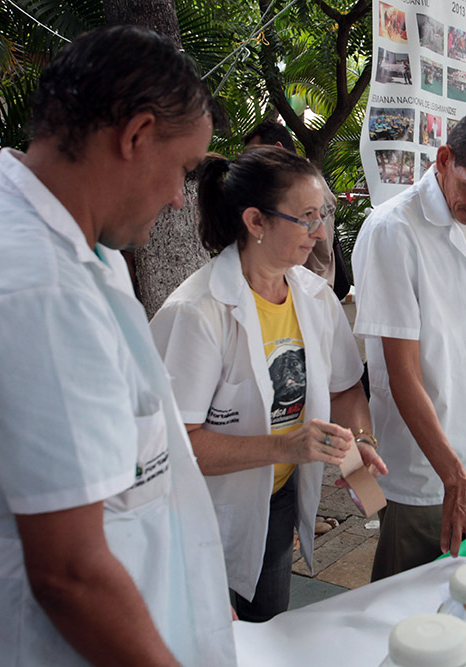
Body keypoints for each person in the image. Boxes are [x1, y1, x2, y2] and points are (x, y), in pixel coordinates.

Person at [0, 26, 235, 664]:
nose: (175, 201)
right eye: (183, 172)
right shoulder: (34, 290)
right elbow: (70, 574)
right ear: (135, 136)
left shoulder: (81, 246)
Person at [150, 146, 386, 622]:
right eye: (305, 217)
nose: (320, 232)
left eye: (322, 214)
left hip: (275, 498)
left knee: (270, 624)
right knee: (207, 634)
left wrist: (359, 445)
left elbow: (344, 388)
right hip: (200, 510)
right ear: (256, 221)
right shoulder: (197, 314)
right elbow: (177, 445)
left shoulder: (313, 296)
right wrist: (287, 448)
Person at [353, 109, 466, 580]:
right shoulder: (394, 230)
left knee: (461, 603)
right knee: (402, 614)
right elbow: (401, 372)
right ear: (444, 158)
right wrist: (454, 477)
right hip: (423, 468)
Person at [243, 120, 347, 295]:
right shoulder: (292, 185)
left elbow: (320, 250)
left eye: (257, 155)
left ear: (278, 148)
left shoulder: (307, 187)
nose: (254, 164)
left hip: (309, 293)